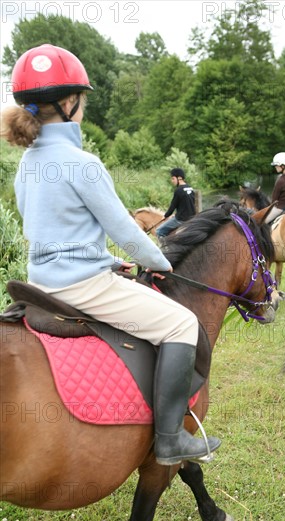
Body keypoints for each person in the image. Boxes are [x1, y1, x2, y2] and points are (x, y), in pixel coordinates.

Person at [1, 44, 220, 466]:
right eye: (81, 99)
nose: (82, 106)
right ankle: (171, 438)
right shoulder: (83, 162)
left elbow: (52, 230)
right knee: (181, 323)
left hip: (40, 282)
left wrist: (104, 261)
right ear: (68, 103)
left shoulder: (27, 162)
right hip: (81, 286)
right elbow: (125, 230)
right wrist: (159, 261)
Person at [156, 168, 196, 239]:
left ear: (179, 178)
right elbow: (187, 205)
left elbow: (173, 206)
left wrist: (165, 216)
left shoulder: (178, 190)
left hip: (181, 220)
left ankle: (165, 248)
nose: (172, 181)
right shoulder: (190, 188)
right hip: (192, 218)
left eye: (173, 178)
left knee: (159, 231)